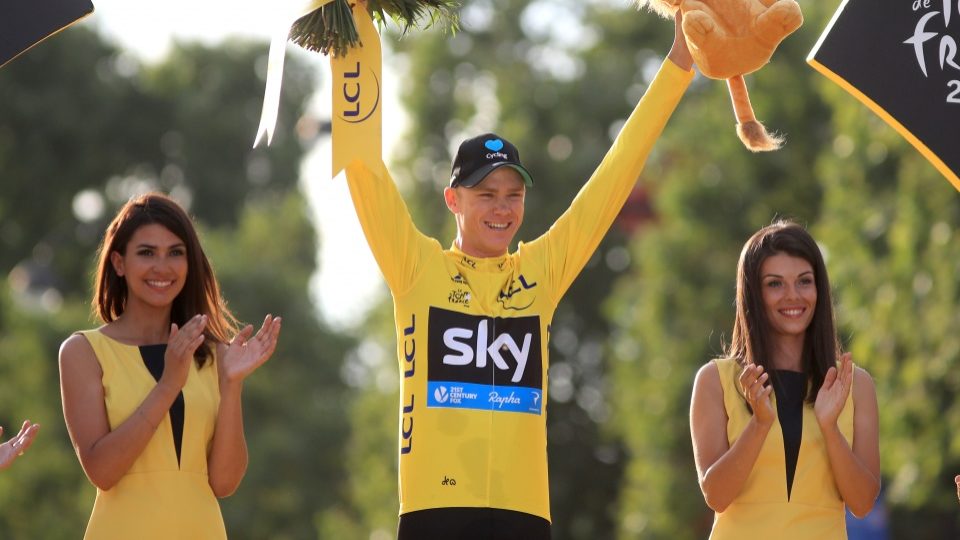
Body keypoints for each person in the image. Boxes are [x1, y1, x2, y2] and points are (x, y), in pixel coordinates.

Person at [342, 12, 695, 539]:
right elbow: (363, 166)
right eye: (486, 195)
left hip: (524, 516)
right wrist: (349, 35)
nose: (502, 209)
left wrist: (681, 59)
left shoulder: (541, 272)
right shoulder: (417, 268)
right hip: (434, 514)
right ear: (453, 200)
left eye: (514, 195)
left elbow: (617, 171)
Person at [58, 193, 281, 539]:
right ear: (119, 263)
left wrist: (232, 384)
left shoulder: (214, 355)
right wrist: (168, 385)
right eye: (146, 253)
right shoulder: (83, 352)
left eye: (175, 253)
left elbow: (224, 482)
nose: (162, 267)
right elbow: (102, 471)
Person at [689, 220, 880, 539]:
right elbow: (716, 497)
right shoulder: (715, 381)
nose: (793, 296)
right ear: (753, 294)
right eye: (775, 284)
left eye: (804, 281)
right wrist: (759, 424)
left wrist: (830, 428)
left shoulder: (855, 385)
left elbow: (862, 503)